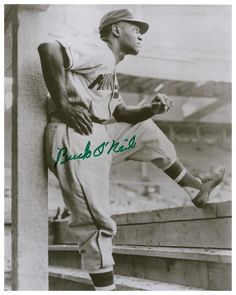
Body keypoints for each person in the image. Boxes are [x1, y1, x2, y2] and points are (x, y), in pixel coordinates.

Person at [38, 8, 225, 291]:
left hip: (96, 137)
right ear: (115, 30)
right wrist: (64, 105)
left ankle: (195, 189)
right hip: (74, 139)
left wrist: (150, 108)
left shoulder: (109, 68)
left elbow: (122, 112)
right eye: (135, 28)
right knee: (96, 222)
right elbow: (49, 49)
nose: (140, 34)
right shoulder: (98, 51)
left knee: (146, 130)